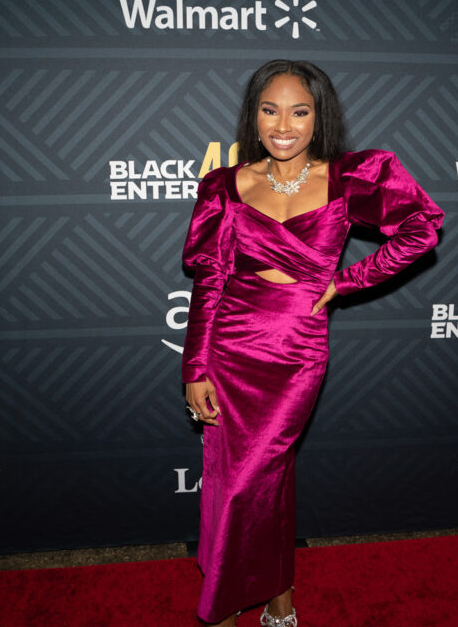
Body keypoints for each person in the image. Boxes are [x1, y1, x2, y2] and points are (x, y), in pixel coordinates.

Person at [181, 59, 444, 626]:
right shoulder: (224, 187)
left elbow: (422, 226)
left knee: (250, 478)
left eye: (299, 112)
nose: (283, 125)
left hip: (296, 351)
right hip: (229, 347)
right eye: (269, 110)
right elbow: (209, 280)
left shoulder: (349, 178)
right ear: (253, 117)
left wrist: (346, 282)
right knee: (246, 480)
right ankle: (278, 598)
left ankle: (224, 602)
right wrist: (195, 367)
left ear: (319, 117)